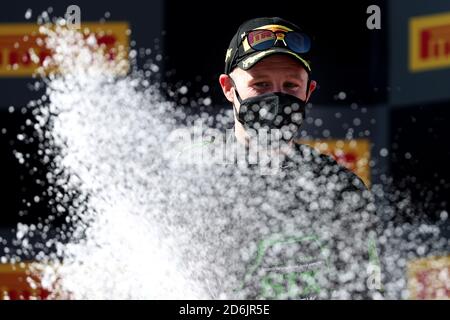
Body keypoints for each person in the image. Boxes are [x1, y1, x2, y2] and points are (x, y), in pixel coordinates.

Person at [214, 17, 380, 299]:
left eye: (290, 86)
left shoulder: (341, 189)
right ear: (228, 88)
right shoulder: (195, 181)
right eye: (261, 84)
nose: (276, 98)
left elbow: (364, 292)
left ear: (308, 91)